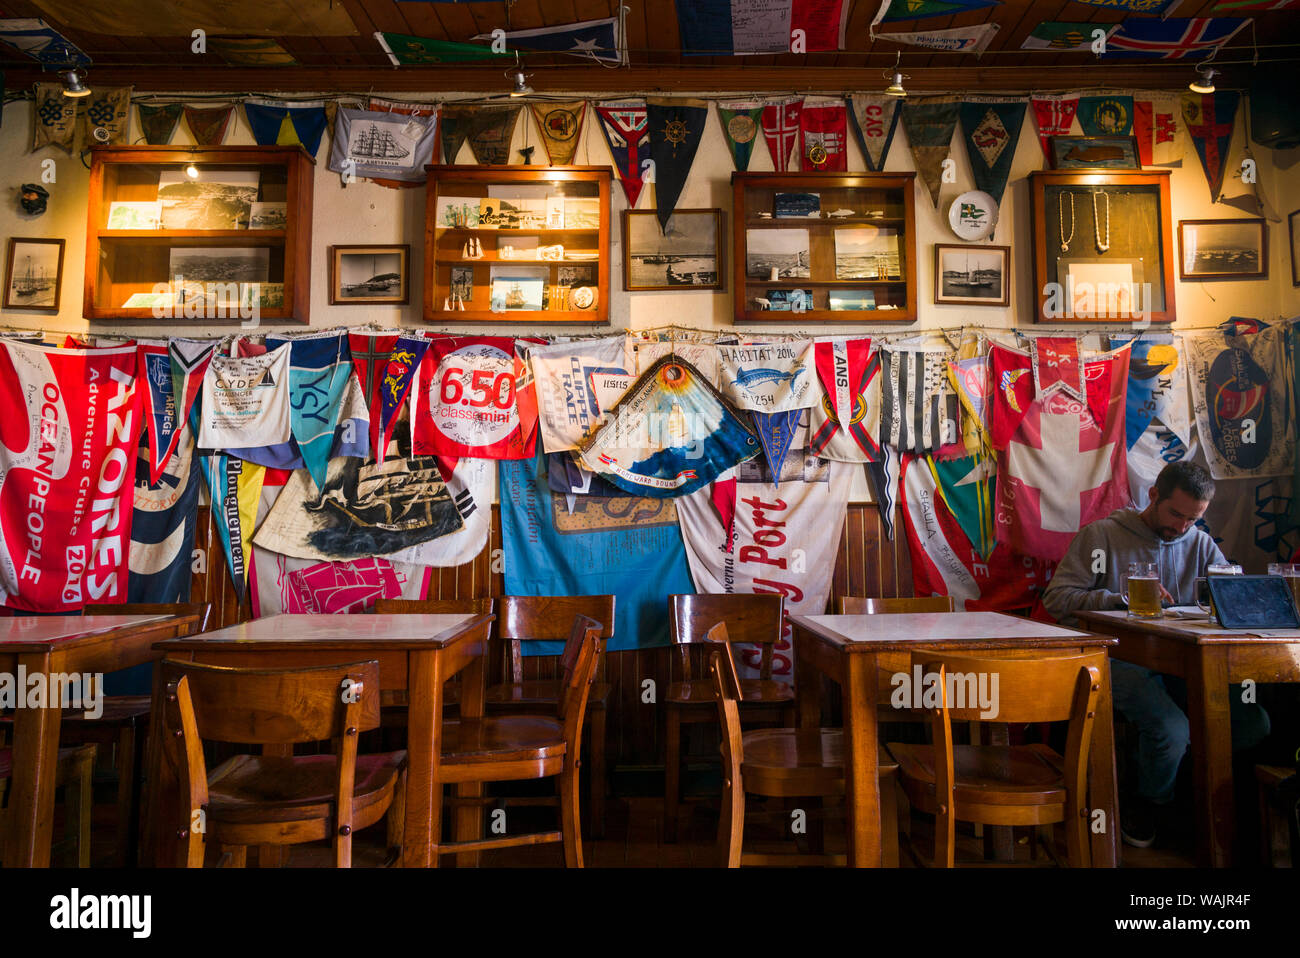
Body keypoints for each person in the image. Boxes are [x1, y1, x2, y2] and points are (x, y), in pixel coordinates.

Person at [1041, 461, 1270, 849]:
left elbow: (1228, 596)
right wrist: (1117, 599)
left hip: (1182, 662)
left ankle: (1190, 797)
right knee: (1171, 730)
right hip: (1118, 660)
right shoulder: (1102, 536)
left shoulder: (1199, 543)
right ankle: (1149, 802)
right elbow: (1057, 599)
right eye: (1176, 514)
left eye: (1193, 519)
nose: (1182, 527)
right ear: (1153, 497)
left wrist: (1234, 595)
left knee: (1252, 721)